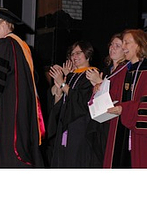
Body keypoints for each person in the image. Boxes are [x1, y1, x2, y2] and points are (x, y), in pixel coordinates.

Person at [0, 7, 45, 168]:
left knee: (8, 149)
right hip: (23, 108)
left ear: (4, 25)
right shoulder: (23, 46)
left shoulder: (5, 44)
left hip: (10, 107)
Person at [48, 40, 104, 167]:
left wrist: (62, 83)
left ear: (88, 54)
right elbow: (61, 101)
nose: (74, 56)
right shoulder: (72, 75)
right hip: (65, 124)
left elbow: (81, 101)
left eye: (79, 53)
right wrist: (58, 87)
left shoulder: (91, 74)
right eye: (72, 54)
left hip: (80, 125)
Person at [86, 33, 129, 167]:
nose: (112, 48)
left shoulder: (126, 71)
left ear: (125, 50)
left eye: (118, 45)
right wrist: (95, 87)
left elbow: (119, 97)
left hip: (114, 123)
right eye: (111, 44)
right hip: (100, 122)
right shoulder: (105, 71)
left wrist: (100, 82)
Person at [107, 29, 147, 168]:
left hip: (141, 137)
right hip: (123, 132)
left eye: (126, 42)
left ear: (138, 45)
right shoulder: (127, 71)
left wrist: (124, 109)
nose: (123, 47)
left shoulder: (146, 72)